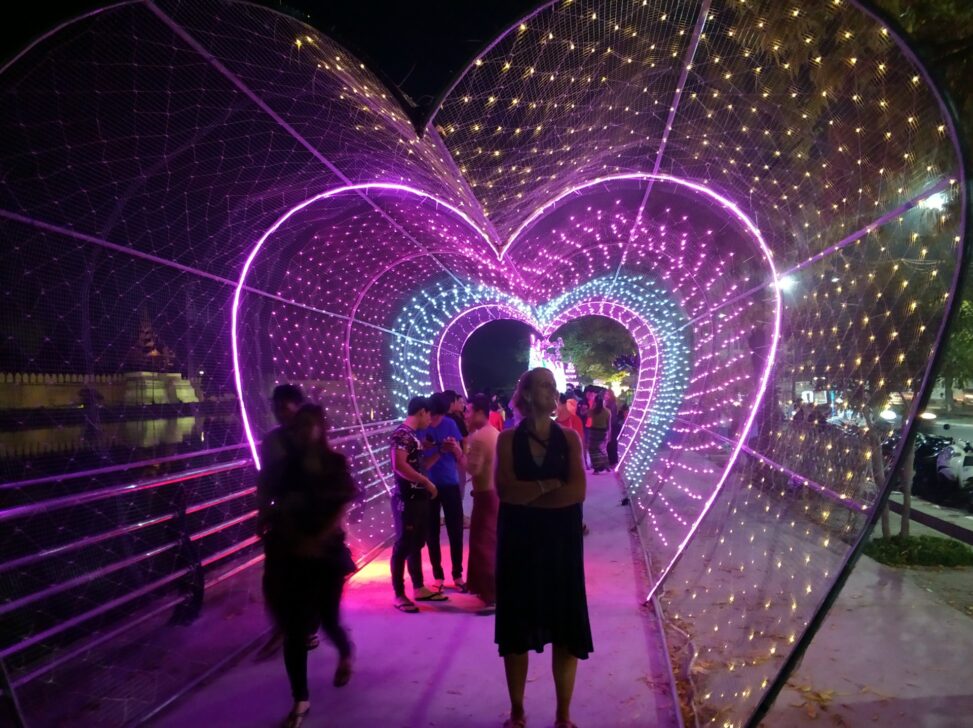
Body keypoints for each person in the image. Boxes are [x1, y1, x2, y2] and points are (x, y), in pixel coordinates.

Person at [495, 368, 591, 728]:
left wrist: (530, 495)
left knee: (565, 631)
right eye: (543, 385)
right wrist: (549, 485)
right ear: (525, 394)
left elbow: (576, 492)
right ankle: (517, 710)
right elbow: (506, 492)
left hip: (561, 546)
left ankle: (563, 715)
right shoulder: (507, 440)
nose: (552, 391)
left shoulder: (569, 439)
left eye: (553, 385)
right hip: (519, 547)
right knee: (516, 632)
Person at [262, 404, 358, 728]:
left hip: (326, 557)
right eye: (298, 426)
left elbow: (342, 506)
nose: (303, 431)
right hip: (294, 556)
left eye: (309, 425)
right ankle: (300, 700)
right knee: (295, 630)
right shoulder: (288, 467)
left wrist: (317, 539)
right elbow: (275, 501)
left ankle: (345, 651)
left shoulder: (334, 464)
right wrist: (278, 525)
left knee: (328, 619)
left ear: (321, 428)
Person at [389, 397, 447, 612]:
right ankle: (399, 593)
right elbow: (399, 465)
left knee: (416, 542)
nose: (430, 421)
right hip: (408, 499)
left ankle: (418, 587)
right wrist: (426, 482)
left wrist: (440, 451)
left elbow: (420, 466)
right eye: (429, 415)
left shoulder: (413, 436)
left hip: (420, 498)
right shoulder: (402, 435)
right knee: (404, 544)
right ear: (422, 411)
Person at [420, 392, 468, 592]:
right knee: (431, 530)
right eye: (432, 415)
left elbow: (461, 456)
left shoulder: (450, 424)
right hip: (429, 485)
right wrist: (437, 449)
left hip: (450, 483)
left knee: (455, 529)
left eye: (438, 415)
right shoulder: (421, 427)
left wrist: (454, 448)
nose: (434, 419)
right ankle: (438, 575)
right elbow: (422, 462)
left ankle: (457, 574)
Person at [465, 394, 500, 606]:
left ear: (479, 412)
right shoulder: (495, 433)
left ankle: (489, 593)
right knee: (490, 542)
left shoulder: (479, 437)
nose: (466, 415)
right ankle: (488, 589)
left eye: (469, 411)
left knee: (483, 544)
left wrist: (459, 454)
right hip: (495, 492)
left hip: (485, 496)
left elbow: (473, 469)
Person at [587, 395, 611, 473]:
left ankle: (597, 468)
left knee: (593, 450)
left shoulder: (592, 411)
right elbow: (609, 425)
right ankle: (606, 465)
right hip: (603, 432)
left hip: (594, 431)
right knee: (602, 449)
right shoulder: (607, 411)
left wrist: (592, 405)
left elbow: (586, 415)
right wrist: (609, 434)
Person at [603, 389, 620, 467]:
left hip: (612, 425)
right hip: (611, 425)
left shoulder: (611, 404)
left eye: (607, 394)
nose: (606, 396)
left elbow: (611, 416)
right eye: (605, 394)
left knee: (611, 443)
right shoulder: (608, 403)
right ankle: (611, 461)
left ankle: (612, 461)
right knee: (610, 443)